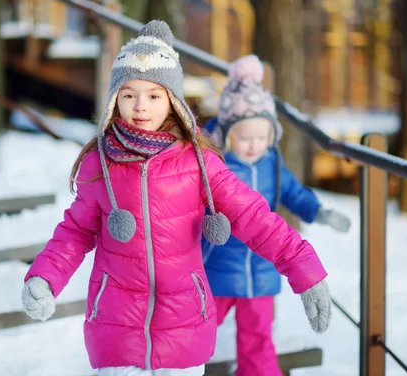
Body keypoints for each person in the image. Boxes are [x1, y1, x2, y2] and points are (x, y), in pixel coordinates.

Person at [21, 21, 331, 376]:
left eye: (154, 95)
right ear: (113, 100)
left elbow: (253, 216)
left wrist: (305, 270)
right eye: (128, 94)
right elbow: (75, 231)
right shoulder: (101, 161)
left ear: (172, 100)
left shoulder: (198, 160)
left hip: (183, 327)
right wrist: (45, 278)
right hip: (116, 329)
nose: (140, 106)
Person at [202, 54, 350, 376]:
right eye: (244, 137)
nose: (253, 145)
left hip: (262, 270)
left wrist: (318, 211)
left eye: (261, 137)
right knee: (199, 330)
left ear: (272, 137)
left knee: (258, 339)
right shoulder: (215, 167)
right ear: (227, 136)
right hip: (218, 267)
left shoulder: (272, 164)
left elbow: (293, 192)